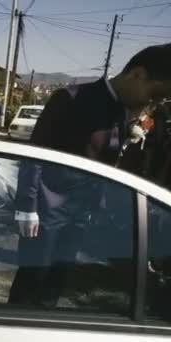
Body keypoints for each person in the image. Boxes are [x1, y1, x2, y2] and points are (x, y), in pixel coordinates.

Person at [9, 43, 171, 307]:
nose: (150, 104)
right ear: (138, 75)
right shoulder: (70, 98)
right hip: (46, 213)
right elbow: (35, 154)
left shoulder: (123, 111)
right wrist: (26, 206)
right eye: (153, 95)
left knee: (55, 287)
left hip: (80, 215)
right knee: (30, 286)